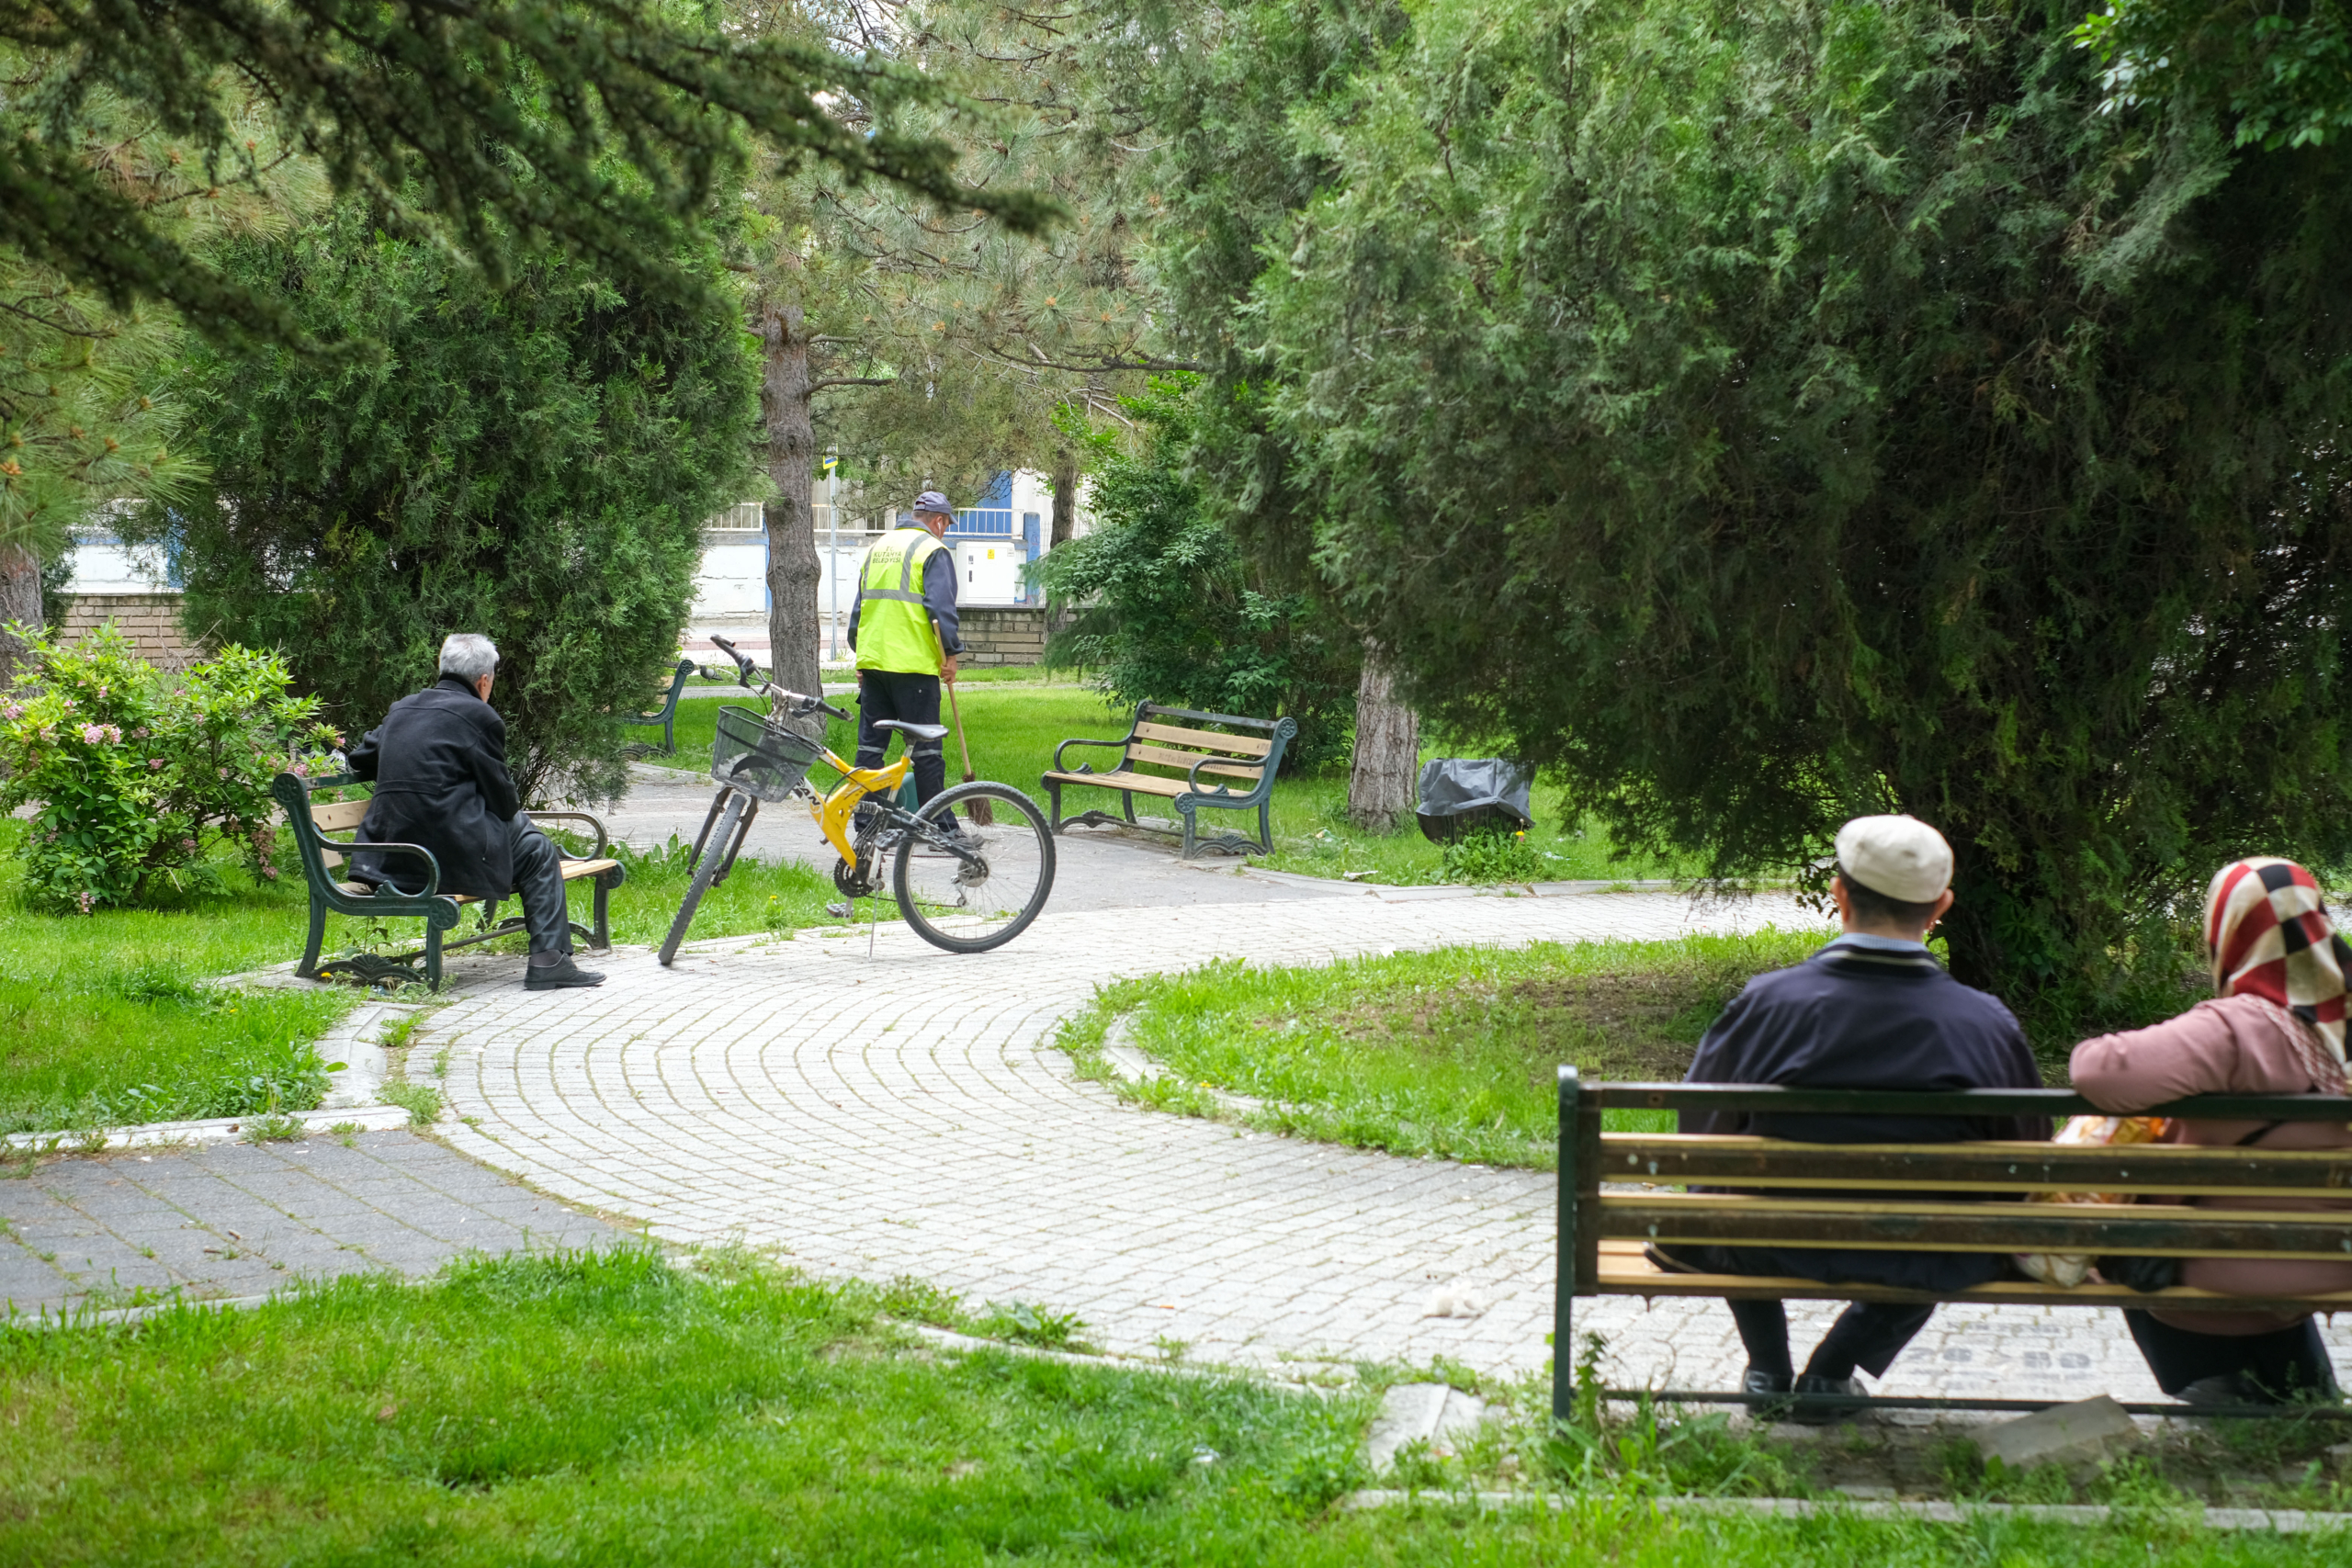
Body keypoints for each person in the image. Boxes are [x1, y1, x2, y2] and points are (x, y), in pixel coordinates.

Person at [1649, 815, 2045, 1418]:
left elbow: (1701, 1131)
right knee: (1960, 1226)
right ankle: (1832, 1371)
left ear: (1838, 894)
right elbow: (2026, 1157)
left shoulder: (1766, 1004)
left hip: (1768, 1241)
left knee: (1720, 1197)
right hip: (1923, 1251)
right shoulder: (1984, 1022)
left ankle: (1767, 1367)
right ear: (1940, 906)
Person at [2070, 858, 2351, 1406]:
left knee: (2130, 1240)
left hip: (2216, 1271)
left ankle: (2215, 1388)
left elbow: (2094, 1071)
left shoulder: (2239, 1029)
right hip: (2337, 1262)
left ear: (2229, 930)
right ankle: (2304, 1400)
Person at [345, 633, 604, 991]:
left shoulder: (402, 709)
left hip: (388, 859)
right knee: (538, 849)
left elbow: (360, 757)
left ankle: (552, 960)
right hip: (446, 861)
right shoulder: (479, 716)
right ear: (484, 681)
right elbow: (503, 802)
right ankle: (549, 961)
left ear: (442, 668)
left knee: (526, 839)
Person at [844, 489, 964, 831]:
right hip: (913, 669)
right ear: (939, 522)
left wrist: (861, 654)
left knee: (870, 749)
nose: (945, 531)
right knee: (927, 753)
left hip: (874, 666)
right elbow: (940, 610)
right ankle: (940, 827)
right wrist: (952, 654)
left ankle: (867, 822)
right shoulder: (932, 550)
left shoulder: (877, 549)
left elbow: (859, 611)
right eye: (946, 525)